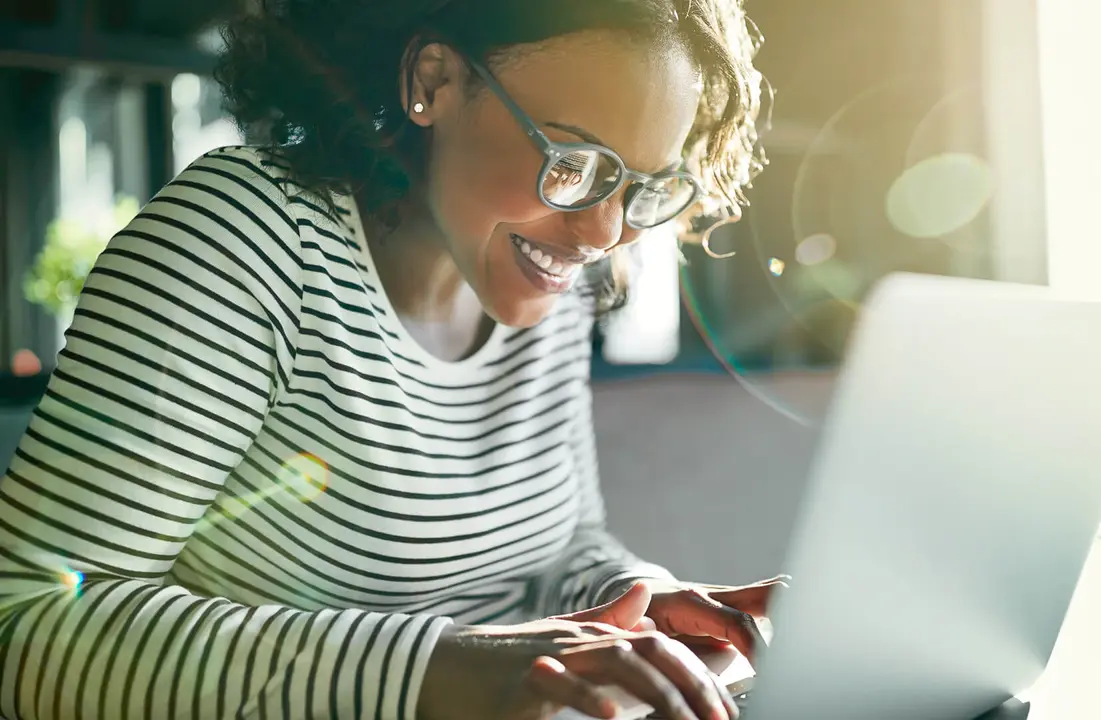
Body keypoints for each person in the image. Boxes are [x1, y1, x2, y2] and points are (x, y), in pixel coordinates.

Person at [0, 1, 782, 719]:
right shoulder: (243, 244)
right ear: (433, 81)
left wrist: (639, 603)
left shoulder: (548, 284)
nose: (603, 234)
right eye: (575, 164)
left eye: (641, 186)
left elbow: (561, 549)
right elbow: (24, 624)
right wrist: (436, 669)